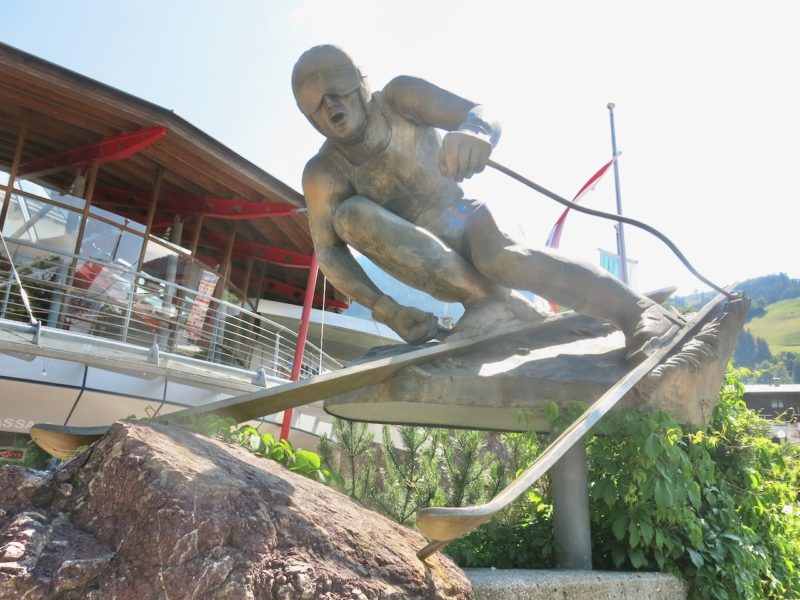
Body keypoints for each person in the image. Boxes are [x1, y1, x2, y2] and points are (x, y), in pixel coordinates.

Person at [292, 44, 681, 361]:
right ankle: (487, 304)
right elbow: (329, 252)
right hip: (425, 259)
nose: (331, 110)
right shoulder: (324, 172)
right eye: (317, 106)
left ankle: (638, 310)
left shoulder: (399, 97)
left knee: (502, 259)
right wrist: (386, 308)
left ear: (359, 85)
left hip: (461, 217)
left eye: (336, 94)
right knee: (350, 216)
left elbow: (479, 112)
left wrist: (474, 131)